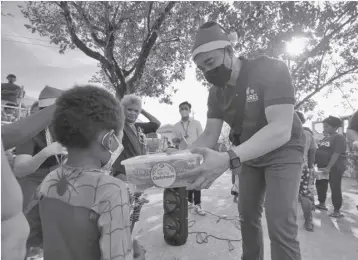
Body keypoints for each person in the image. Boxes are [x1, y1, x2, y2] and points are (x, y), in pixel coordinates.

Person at [181, 21, 305, 260]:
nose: (207, 72)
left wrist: (228, 158)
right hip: (248, 153)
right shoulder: (215, 94)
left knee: (280, 223)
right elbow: (209, 134)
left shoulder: (270, 69)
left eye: (210, 62)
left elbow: (281, 129)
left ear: (230, 51)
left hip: (284, 149)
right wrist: (179, 159)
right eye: (201, 68)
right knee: (247, 216)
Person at [25, 85, 144, 260]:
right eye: (117, 138)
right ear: (108, 138)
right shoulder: (112, 189)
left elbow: (32, 235)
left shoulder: (50, 179)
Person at [13, 86, 64, 210]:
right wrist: (46, 152)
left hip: (59, 178)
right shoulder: (29, 131)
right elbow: (20, 170)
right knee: (27, 219)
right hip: (32, 179)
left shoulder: (69, 128)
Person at [112, 94, 161, 181]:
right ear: (123, 110)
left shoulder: (139, 127)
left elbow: (156, 124)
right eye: (129, 109)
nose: (133, 113)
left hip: (139, 170)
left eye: (136, 111)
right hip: (122, 171)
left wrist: (143, 111)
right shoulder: (119, 127)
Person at [172, 101, 205, 216]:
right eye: (181, 108)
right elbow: (173, 141)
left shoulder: (196, 123)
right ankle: (189, 201)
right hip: (182, 156)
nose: (183, 110)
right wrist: (176, 140)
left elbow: (202, 138)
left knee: (196, 179)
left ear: (190, 110)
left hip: (195, 155)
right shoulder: (176, 126)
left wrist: (201, 153)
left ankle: (198, 204)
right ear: (179, 110)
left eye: (186, 108)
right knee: (186, 179)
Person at [315, 116, 347, 218]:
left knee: (335, 187)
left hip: (335, 167)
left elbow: (336, 154)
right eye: (324, 126)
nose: (324, 128)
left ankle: (337, 210)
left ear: (335, 127)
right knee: (320, 184)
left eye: (327, 126)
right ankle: (321, 204)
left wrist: (328, 167)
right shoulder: (326, 137)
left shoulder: (339, 137)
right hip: (322, 166)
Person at [296, 111, 317, 231]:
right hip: (303, 167)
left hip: (285, 167)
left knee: (285, 195)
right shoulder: (308, 133)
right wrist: (310, 169)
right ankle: (308, 221)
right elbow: (312, 152)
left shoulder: (283, 131)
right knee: (305, 194)